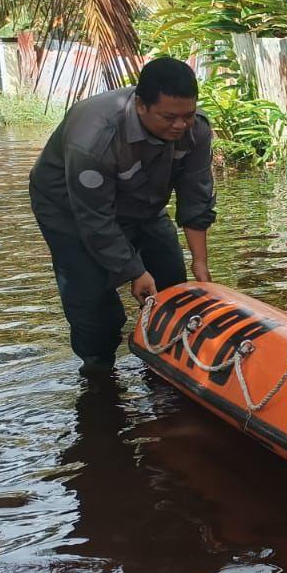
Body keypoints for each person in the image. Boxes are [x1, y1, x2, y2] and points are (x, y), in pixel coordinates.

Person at [30, 57, 215, 374]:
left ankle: (169, 361)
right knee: (94, 301)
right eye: (170, 117)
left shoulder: (195, 128)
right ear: (141, 105)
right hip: (70, 208)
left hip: (142, 200)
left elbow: (196, 195)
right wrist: (133, 271)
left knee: (172, 279)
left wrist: (201, 262)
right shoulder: (94, 137)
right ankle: (99, 372)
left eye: (187, 115)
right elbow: (95, 219)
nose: (180, 126)